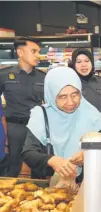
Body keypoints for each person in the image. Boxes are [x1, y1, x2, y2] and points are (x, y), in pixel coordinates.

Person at [21, 67, 101, 180]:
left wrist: (88, 154)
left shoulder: (92, 114)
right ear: (51, 96)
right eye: (62, 97)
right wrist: (52, 160)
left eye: (75, 95)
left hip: (87, 184)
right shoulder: (41, 116)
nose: (70, 102)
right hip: (50, 189)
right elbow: (28, 153)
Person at [0, 37, 45, 177]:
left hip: (36, 128)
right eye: (33, 51)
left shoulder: (44, 77)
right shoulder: (4, 75)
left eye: (39, 51)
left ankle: (41, 195)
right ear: (20, 52)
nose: (38, 55)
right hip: (14, 129)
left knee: (39, 167)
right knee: (11, 168)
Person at [70, 48, 101, 113]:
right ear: (74, 65)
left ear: (92, 63)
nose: (83, 65)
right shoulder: (69, 85)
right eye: (79, 62)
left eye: (87, 61)